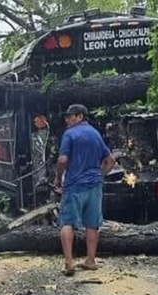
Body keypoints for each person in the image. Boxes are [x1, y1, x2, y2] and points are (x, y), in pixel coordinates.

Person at [53, 104, 115, 276]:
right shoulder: (96, 134)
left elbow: (63, 159)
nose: (67, 120)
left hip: (74, 185)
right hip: (94, 187)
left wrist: (58, 177)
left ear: (80, 116)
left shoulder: (70, 134)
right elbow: (110, 161)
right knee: (92, 224)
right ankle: (91, 260)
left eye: (69, 116)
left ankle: (68, 262)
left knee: (67, 222)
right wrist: (100, 175)